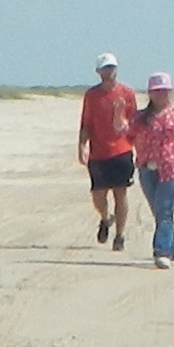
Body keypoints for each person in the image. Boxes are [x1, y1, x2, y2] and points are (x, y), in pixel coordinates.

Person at [131, 74, 174, 264]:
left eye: (164, 90)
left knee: (164, 207)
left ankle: (161, 251)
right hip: (147, 169)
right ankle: (173, 247)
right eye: (156, 91)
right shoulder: (140, 117)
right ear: (150, 93)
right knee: (160, 211)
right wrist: (117, 119)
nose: (161, 94)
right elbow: (127, 135)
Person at [75, 53, 140, 249]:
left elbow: (135, 123)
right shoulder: (91, 96)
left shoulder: (127, 93)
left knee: (121, 193)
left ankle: (120, 236)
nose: (109, 71)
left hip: (122, 150)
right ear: (98, 71)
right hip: (98, 153)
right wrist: (81, 146)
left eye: (111, 67)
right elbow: (86, 123)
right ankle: (105, 217)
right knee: (98, 194)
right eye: (105, 68)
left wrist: (140, 149)